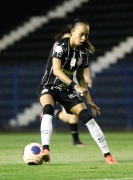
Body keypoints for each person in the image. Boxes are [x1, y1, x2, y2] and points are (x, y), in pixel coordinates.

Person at [37, 19, 117, 164]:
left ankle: (108, 155)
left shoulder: (83, 53)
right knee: (48, 109)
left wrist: (90, 101)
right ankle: (46, 150)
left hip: (66, 89)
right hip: (49, 86)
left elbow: (80, 78)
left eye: (86, 35)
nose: (84, 38)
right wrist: (75, 86)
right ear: (73, 32)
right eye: (81, 35)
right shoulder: (60, 46)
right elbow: (56, 71)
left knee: (87, 117)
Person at [40, 25, 94, 147]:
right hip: (56, 83)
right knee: (69, 114)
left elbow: (83, 69)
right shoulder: (59, 50)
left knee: (71, 115)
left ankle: (75, 139)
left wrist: (87, 78)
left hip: (70, 85)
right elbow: (55, 70)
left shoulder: (79, 53)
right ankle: (75, 140)